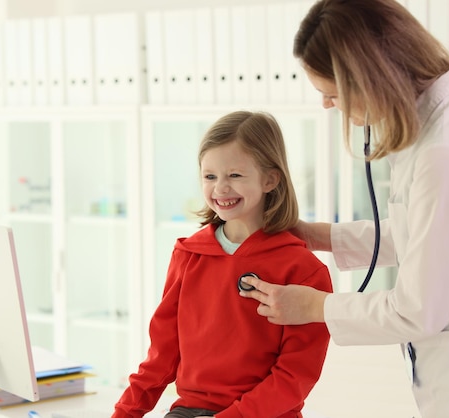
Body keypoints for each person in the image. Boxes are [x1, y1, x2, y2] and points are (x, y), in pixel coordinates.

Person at [239, 1, 449, 417]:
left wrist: (313, 306)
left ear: (370, 78)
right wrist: (315, 235)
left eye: (332, 94)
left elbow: (418, 309)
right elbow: (431, 235)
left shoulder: (445, 152)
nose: (327, 106)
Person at [113, 111, 333, 418]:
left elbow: (295, 376)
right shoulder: (189, 256)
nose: (220, 189)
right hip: (189, 411)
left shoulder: (303, 270)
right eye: (210, 176)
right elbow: (162, 355)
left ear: (270, 179)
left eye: (235, 175)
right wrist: (125, 413)